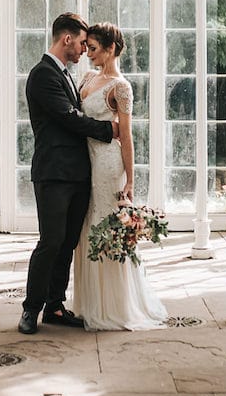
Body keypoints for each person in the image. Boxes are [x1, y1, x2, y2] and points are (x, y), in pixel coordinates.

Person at [20, 12, 119, 335]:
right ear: (66, 40)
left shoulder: (66, 75)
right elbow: (68, 117)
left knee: (67, 244)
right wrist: (108, 129)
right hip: (53, 173)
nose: (83, 51)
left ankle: (55, 306)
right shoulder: (43, 74)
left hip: (78, 174)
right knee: (50, 242)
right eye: (79, 44)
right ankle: (30, 309)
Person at [72, 22, 168, 331]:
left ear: (111, 48)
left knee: (106, 227)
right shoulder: (87, 77)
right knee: (87, 228)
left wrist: (130, 182)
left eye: (94, 48)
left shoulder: (120, 87)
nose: (88, 53)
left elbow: (126, 137)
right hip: (84, 161)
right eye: (87, 47)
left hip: (108, 164)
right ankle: (89, 303)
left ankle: (114, 305)